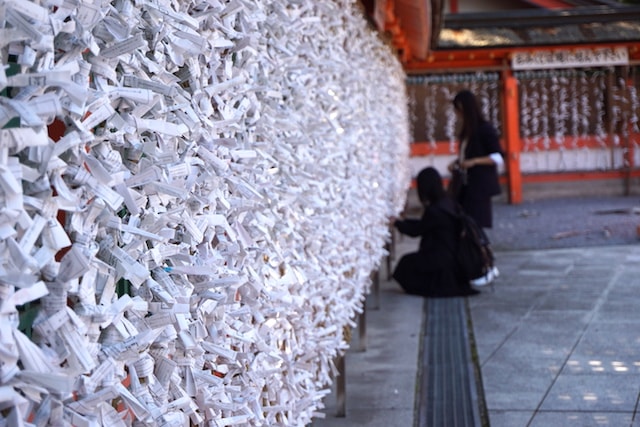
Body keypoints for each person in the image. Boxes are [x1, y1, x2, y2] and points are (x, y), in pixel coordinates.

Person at [392, 167, 479, 297]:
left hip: (440, 259)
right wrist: (401, 221)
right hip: (452, 257)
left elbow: (416, 231)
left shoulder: (435, 210)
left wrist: (396, 223)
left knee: (405, 265)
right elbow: (424, 224)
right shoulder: (447, 203)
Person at [448, 89, 504, 229]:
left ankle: (477, 250)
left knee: (475, 225)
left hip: (479, 185)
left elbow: (498, 157)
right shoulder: (468, 131)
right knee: (463, 222)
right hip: (465, 184)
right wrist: (458, 163)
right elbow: (468, 155)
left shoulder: (485, 129)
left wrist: (474, 162)